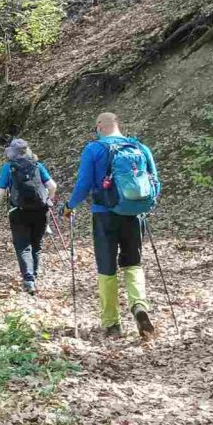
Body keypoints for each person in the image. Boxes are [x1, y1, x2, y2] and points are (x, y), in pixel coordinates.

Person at [63, 112, 159, 340]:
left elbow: (84, 184)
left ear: (99, 127)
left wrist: (69, 206)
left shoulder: (93, 149)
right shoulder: (140, 148)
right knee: (133, 263)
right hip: (135, 215)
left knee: (106, 268)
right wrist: (144, 206)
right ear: (118, 126)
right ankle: (139, 306)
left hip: (104, 215)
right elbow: (155, 182)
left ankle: (112, 324)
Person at [0, 139, 57, 295]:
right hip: (41, 211)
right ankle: (34, 274)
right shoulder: (37, 165)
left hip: (19, 211)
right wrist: (49, 199)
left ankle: (28, 280)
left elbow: (0, 192)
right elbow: (52, 186)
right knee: (36, 244)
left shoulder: (8, 167)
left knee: (22, 246)